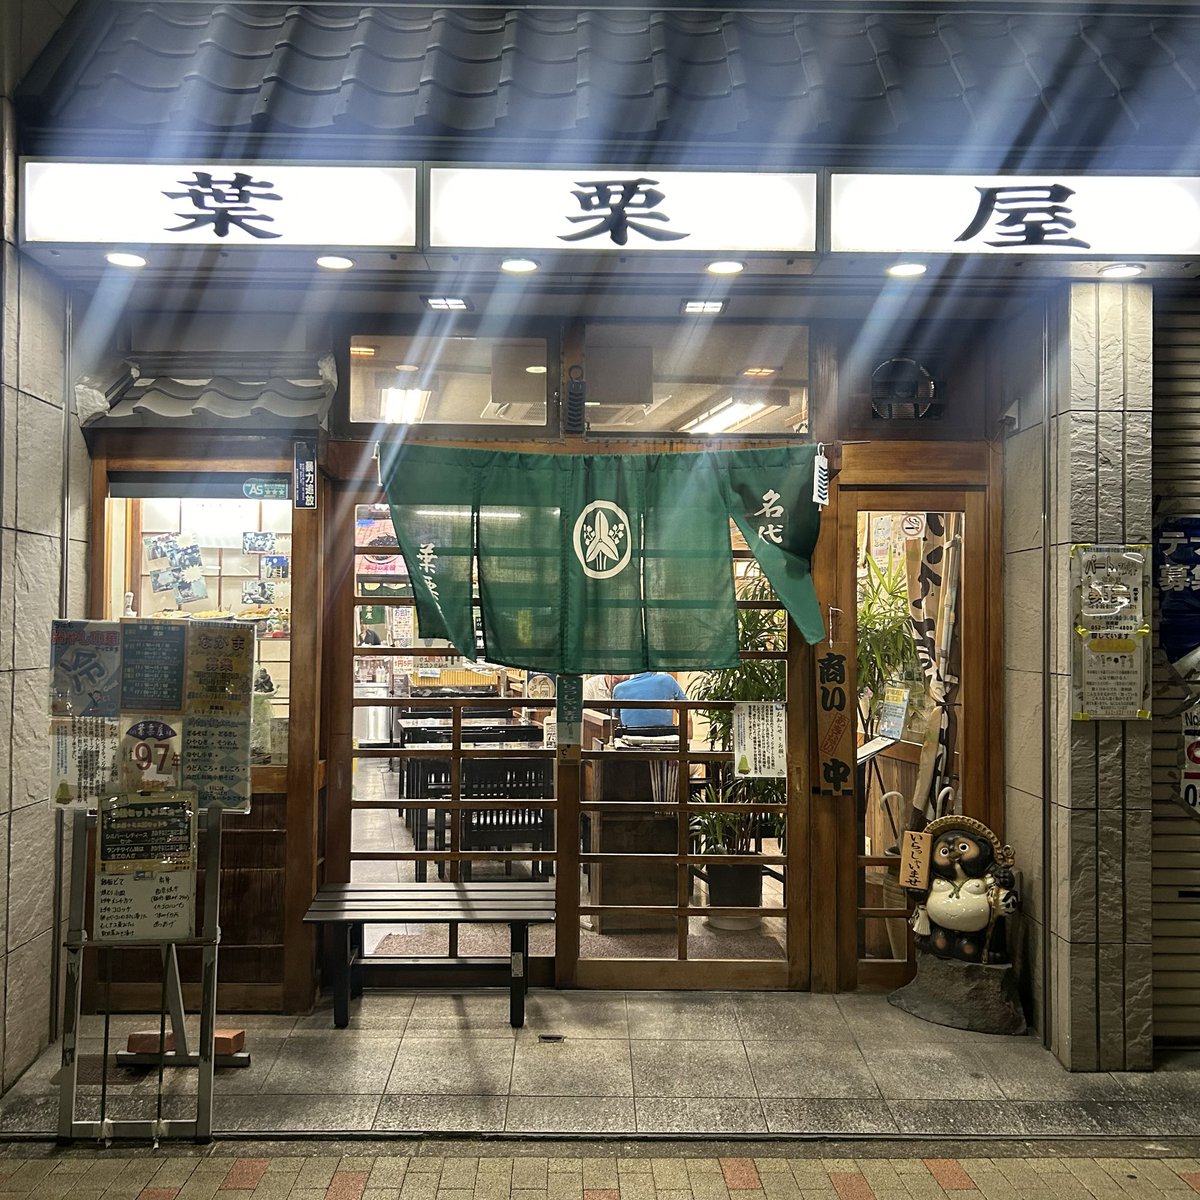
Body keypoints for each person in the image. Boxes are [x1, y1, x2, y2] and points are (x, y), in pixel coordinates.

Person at [612, 670, 687, 731]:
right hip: (665, 738)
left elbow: (616, 718)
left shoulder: (619, 689)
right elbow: (687, 712)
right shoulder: (668, 680)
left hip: (630, 739)